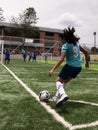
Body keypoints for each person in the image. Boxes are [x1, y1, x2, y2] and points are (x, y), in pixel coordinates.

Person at [49, 27, 89, 107]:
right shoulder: (76, 43)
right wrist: (87, 62)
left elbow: (61, 59)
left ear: (65, 39)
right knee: (64, 82)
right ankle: (56, 97)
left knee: (58, 81)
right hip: (78, 67)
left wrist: (53, 69)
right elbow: (86, 52)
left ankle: (63, 95)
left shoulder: (65, 46)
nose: (61, 41)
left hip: (70, 66)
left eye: (61, 39)